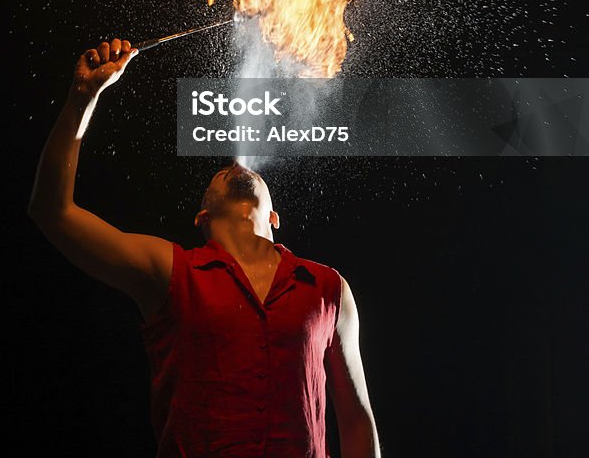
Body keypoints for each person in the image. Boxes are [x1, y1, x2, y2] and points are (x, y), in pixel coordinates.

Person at [28, 37, 381, 458]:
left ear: (274, 217)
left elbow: (357, 423)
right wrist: (82, 99)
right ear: (202, 220)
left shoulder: (329, 289)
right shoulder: (171, 272)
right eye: (219, 172)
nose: (236, 165)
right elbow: (53, 212)